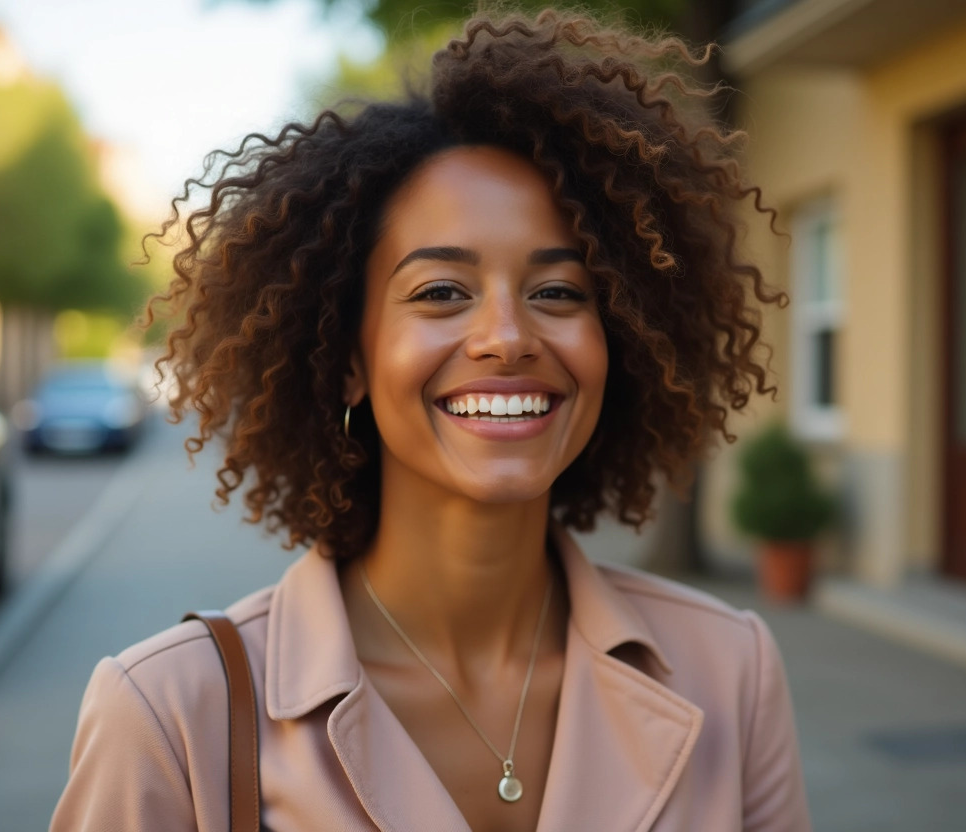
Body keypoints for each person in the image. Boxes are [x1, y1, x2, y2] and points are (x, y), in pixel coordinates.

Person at [51, 8, 811, 832]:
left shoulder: (730, 669)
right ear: (348, 356)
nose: (508, 338)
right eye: (441, 292)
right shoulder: (172, 714)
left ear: (618, 339)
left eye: (558, 292)